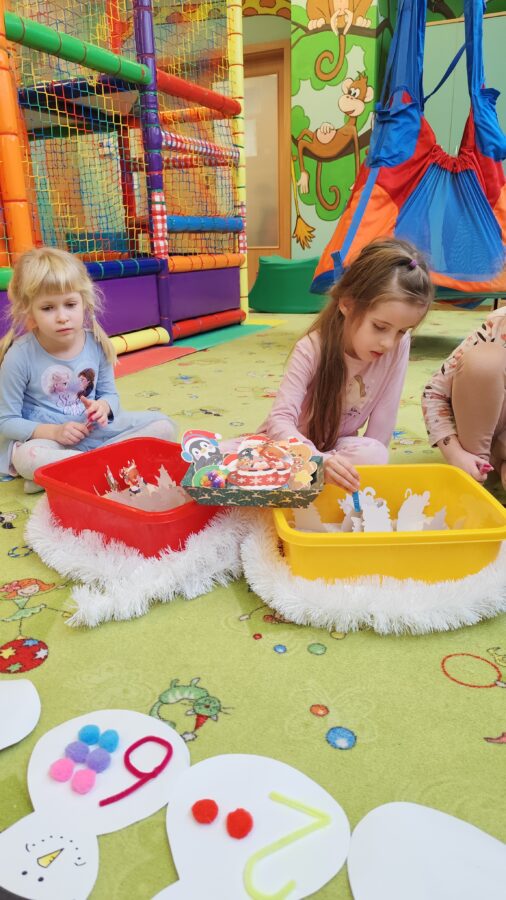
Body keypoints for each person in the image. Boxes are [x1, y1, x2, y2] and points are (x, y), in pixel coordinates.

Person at [259, 238, 434, 491]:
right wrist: (317, 462)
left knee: (374, 454)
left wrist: (363, 480)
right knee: (217, 462)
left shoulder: (398, 345)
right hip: (289, 452)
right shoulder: (311, 348)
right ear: (347, 304)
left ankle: (317, 485)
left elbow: (381, 430)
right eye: (380, 327)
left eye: (401, 331)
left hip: (336, 452)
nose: (388, 343)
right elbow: (279, 420)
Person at [0, 247, 177, 492]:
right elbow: (6, 421)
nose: (62, 317)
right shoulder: (19, 356)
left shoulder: (96, 343)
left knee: (164, 425)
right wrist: (55, 432)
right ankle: (104, 466)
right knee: (27, 458)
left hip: (95, 434)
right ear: (29, 310)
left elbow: (110, 396)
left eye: (70, 304)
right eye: (48, 308)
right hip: (50, 441)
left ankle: (67, 473)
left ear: (84, 301)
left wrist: (103, 407)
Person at [422, 306, 506, 488]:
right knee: (484, 362)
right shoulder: (500, 323)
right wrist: (455, 454)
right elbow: (434, 393)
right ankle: (474, 475)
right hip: (480, 443)